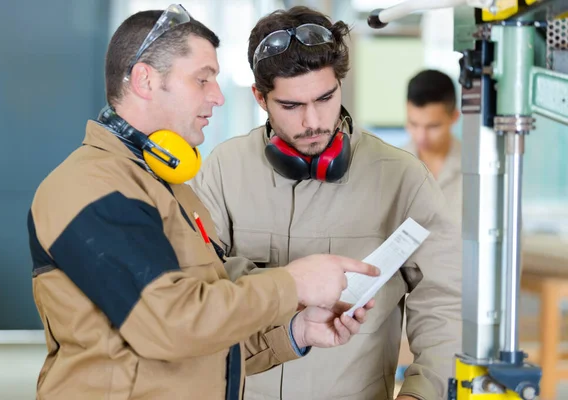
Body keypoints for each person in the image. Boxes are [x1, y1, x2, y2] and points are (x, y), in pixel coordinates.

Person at [26, 5, 380, 399]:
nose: (217, 96)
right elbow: (170, 326)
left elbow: (202, 344)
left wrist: (296, 332)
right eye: (202, 80)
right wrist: (293, 282)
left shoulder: (168, 188)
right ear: (145, 80)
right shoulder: (90, 186)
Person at [190, 6, 462, 400]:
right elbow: (195, 289)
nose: (313, 121)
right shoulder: (222, 170)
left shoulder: (403, 177)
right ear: (260, 98)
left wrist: (422, 392)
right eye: (291, 106)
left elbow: (444, 301)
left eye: (325, 97)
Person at [403, 69, 462, 223]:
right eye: (413, 124)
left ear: (454, 117)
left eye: (433, 126)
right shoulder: (391, 166)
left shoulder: (478, 168)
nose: (421, 137)